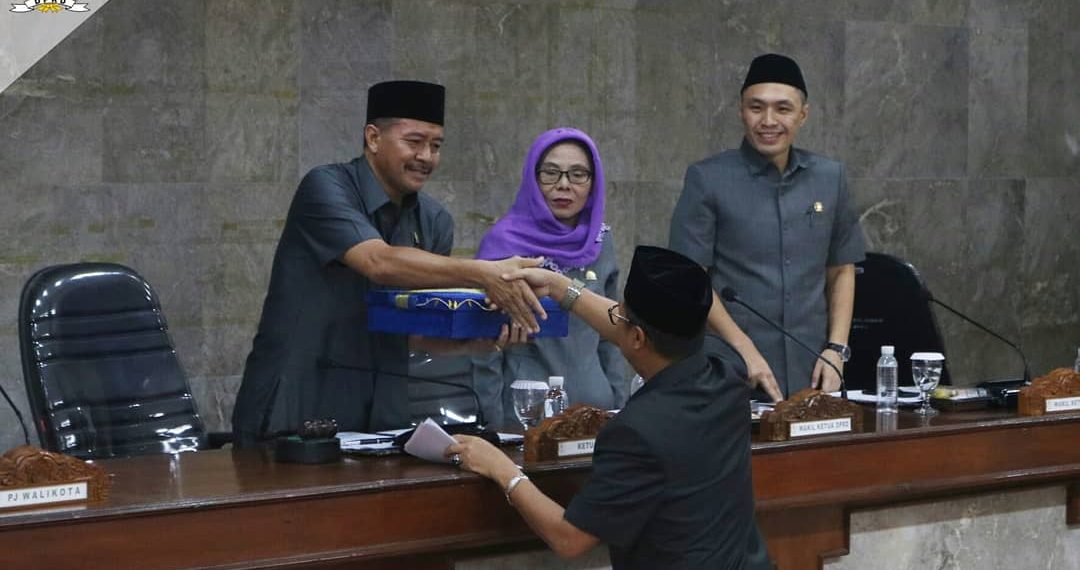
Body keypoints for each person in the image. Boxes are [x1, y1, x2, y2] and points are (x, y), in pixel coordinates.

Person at [232, 80, 542, 448]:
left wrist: (474, 343)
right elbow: (377, 261)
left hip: (381, 419)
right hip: (297, 410)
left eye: (436, 146)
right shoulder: (325, 187)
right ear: (373, 138)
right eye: (414, 141)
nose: (426, 157)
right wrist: (483, 272)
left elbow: (411, 332)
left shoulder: (434, 221)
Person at [447, 246, 772, 570]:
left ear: (637, 338)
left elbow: (570, 539)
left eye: (619, 315)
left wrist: (503, 470)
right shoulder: (727, 369)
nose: (614, 319)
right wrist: (560, 287)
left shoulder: (636, 431)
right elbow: (631, 330)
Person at [669, 53, 866, 401]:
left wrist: (837, 350)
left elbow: (841, 270)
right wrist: (743, 348)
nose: (768, 121)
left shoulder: (829, 178)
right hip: (731, 370)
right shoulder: (708, 179)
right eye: (756, 108)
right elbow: (691, 278)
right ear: (741, 111)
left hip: (813, 371)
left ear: (803, 114)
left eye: (783, 109)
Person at [472, 128, 626, 429]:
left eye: (578, 174)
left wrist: (620, 409)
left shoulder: (600, 242)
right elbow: (483, 346)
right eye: (551, 173)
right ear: (533, 178)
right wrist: (493, 423)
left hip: (597, 410)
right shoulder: (503, 244)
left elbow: (612, 335)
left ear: (593, 182)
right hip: (526, 414)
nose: (564, 185)